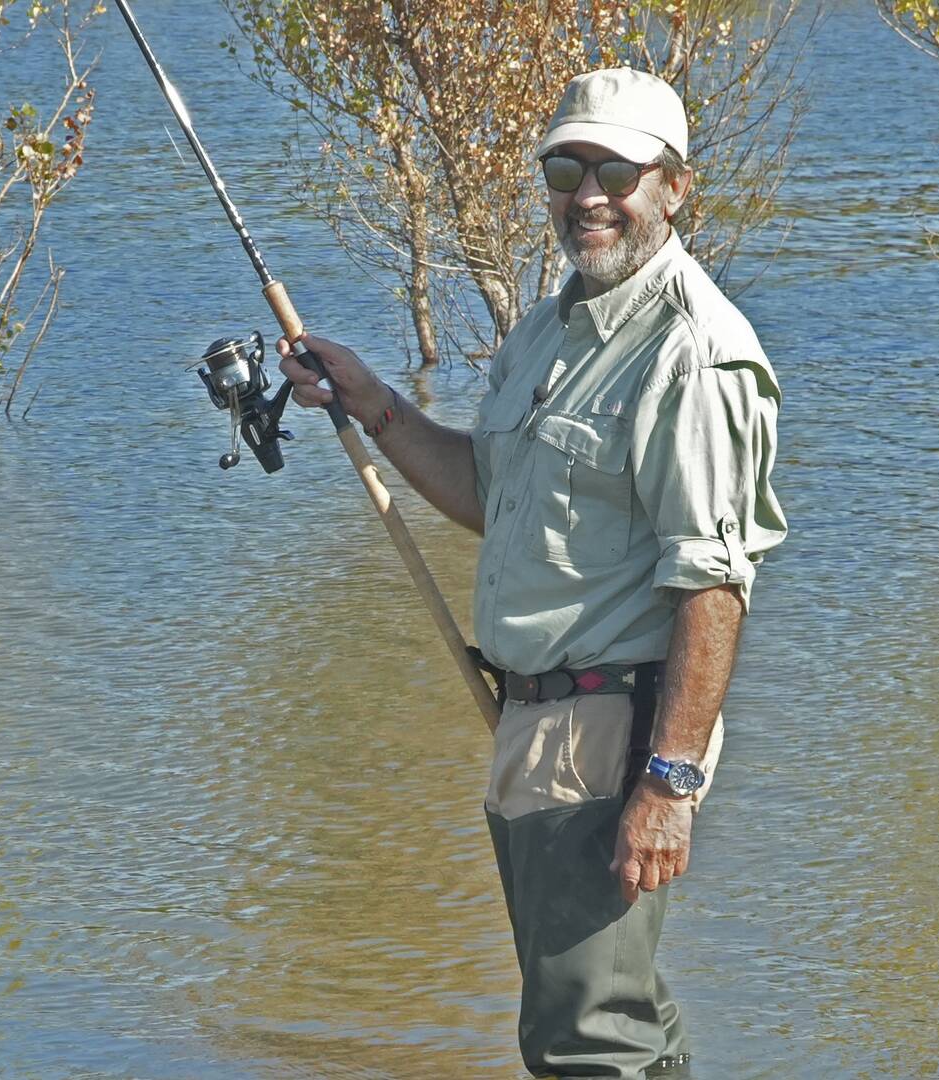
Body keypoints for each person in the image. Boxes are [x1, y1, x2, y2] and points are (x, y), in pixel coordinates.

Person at [276, 67, 787, 1078]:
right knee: (616, 1019)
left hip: (610, 737)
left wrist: (668, 783)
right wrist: (375, 406)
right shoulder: (551, 329)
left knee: (588, 1041)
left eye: (617, 172)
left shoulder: (693, 353)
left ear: (674, 188)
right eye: (566, 169)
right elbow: (491, 492)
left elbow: (713, 586)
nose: (589, 195)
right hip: (535, 728)